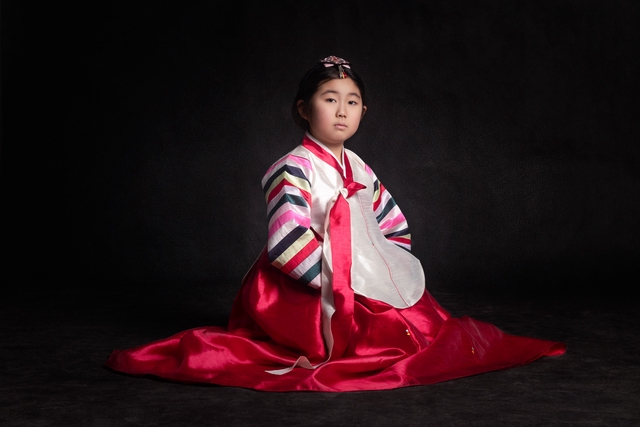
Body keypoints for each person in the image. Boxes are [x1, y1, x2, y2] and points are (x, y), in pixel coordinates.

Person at [105, 56, 565, 392]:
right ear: (304, 109)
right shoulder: (293, 167)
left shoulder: (358, 167)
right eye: (330, 99)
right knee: (372, 337)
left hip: (354, 274)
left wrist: (383, 272)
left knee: (421, 322)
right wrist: (342, 285)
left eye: (352, 101)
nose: (342, 110)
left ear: (364, 111)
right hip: (302, 284)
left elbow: (391, 223)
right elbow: (286, 243)